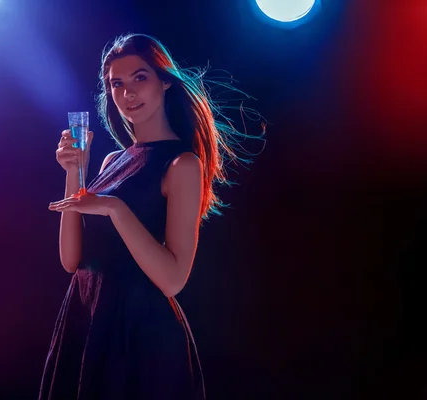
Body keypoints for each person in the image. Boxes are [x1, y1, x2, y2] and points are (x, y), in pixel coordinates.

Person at [40, 33, 265, 400]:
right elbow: (72, 262)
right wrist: (74, 172)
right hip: (86, 321)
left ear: (164, 81)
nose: (128, 92)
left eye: (139, 77)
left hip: (140, 336)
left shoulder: (183, 164)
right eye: (117, 83)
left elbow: (173, 279)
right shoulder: (112, 161)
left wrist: (115, 208)